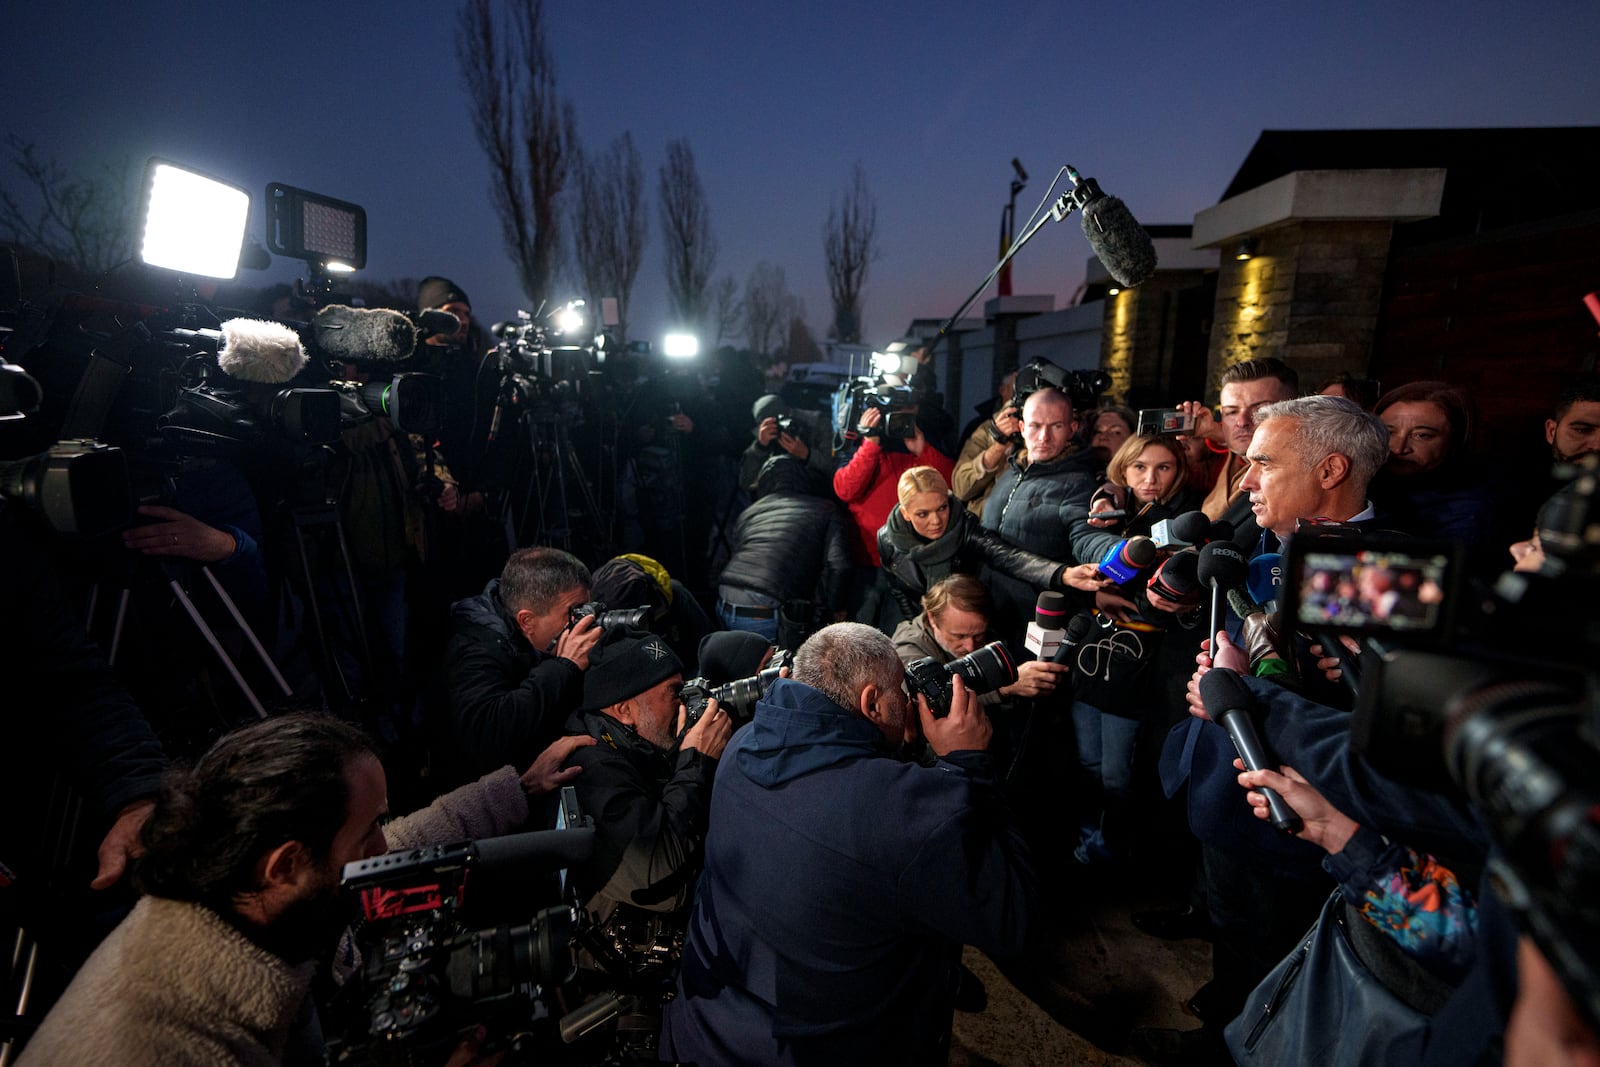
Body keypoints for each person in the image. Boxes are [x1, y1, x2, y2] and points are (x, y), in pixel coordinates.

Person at [16, 713, 581, 1067]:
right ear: (285, 865)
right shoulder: (158, 1045)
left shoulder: (243, 900)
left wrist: (520, 787)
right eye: (368, 834)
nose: (384, 851)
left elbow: (408, 841)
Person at [660, 623, 1036, 1066]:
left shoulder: (742, 746)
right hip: (828, 1048)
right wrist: (969, 766)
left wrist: (893, 753)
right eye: (901, 691)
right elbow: (1013, 918)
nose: (909, 700)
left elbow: (835, 795)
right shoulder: (902, 813)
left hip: (708, 1030)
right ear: (872, 703)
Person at [1067, 433, 1203, 866]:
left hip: (1142, 662)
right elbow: (1077, 558)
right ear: (1123, 468)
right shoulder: (1106, 511)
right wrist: (1096, 596)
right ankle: (1087, 841)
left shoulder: (1185, 520)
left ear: (1178, 472)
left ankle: (1112, 850)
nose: (1151, 478)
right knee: (1088, 760)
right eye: (1140, 467)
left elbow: (1179, 595)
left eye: (1163, 467)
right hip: (1094, 652)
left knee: (1118, 771)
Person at [562, 631, 732, 922]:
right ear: (624, 710)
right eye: (674, 692)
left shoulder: (636, 746)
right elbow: (657, 875)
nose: (684, 704)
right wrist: (695, 763)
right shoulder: (592, 769)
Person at [435, 547, 600, 790]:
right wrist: (564, 667)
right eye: (573, 613)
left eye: (587, 609)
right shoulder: (474, 653)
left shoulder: (526, 635)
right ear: (527, 621)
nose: (585, 621)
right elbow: (487, 732)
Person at [877, 465, 1104, 630]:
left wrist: (1063, 574)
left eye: (942, 508)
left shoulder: (964, 527)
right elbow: (899, 588)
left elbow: (1008, 556)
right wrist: (923, 623)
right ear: (905, 513)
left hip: (971, 622)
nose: (936, 521)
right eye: (922, 514)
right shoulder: (887, 539)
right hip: (924, 622)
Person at [980, 386, 1101, 634]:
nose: (1044, 436)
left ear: (1072, 429)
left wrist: (1114, 554)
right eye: (1035, 426)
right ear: (1022, 428)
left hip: (1034, 620)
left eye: (1056, 426)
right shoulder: (1011, 471)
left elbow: (1087, 537)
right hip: (988, 609)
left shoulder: (1079, 483)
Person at [717, 454, 851, 644]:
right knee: (777, 670)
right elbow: (839, 565)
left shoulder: (750, 511)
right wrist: (835, 610)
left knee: (739, 670)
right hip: (763, 608)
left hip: (724, 597)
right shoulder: (825, 509)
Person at [890, 575, 1070, 707]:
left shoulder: (993, 631)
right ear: (931, 619)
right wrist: (1006, 687)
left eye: (978, 635)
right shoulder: (908, 651)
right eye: (959, 636)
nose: (971, 646)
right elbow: (930, 706)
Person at [1177, 356, 1300, 540]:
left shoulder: (1300, 477)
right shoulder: (1227, 457)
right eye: (1231, 412)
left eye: (1261, 410)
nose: (1242, 422)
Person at [1369, 380, 1494, 547]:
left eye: (1422, 435)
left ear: (1456, 441)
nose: (1398, 448)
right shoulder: (1365, 483)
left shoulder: (1467, 513)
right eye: (1388, 432)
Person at [832, 400, 954, 569]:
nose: (899, 413)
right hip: (869, 559)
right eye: (894, 407)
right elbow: (845, 490)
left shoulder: (926, 434)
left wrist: (922, 450)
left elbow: (951, 486)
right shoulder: (861, 443)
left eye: (908, 404)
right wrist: (869, 444)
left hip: (916, 558)